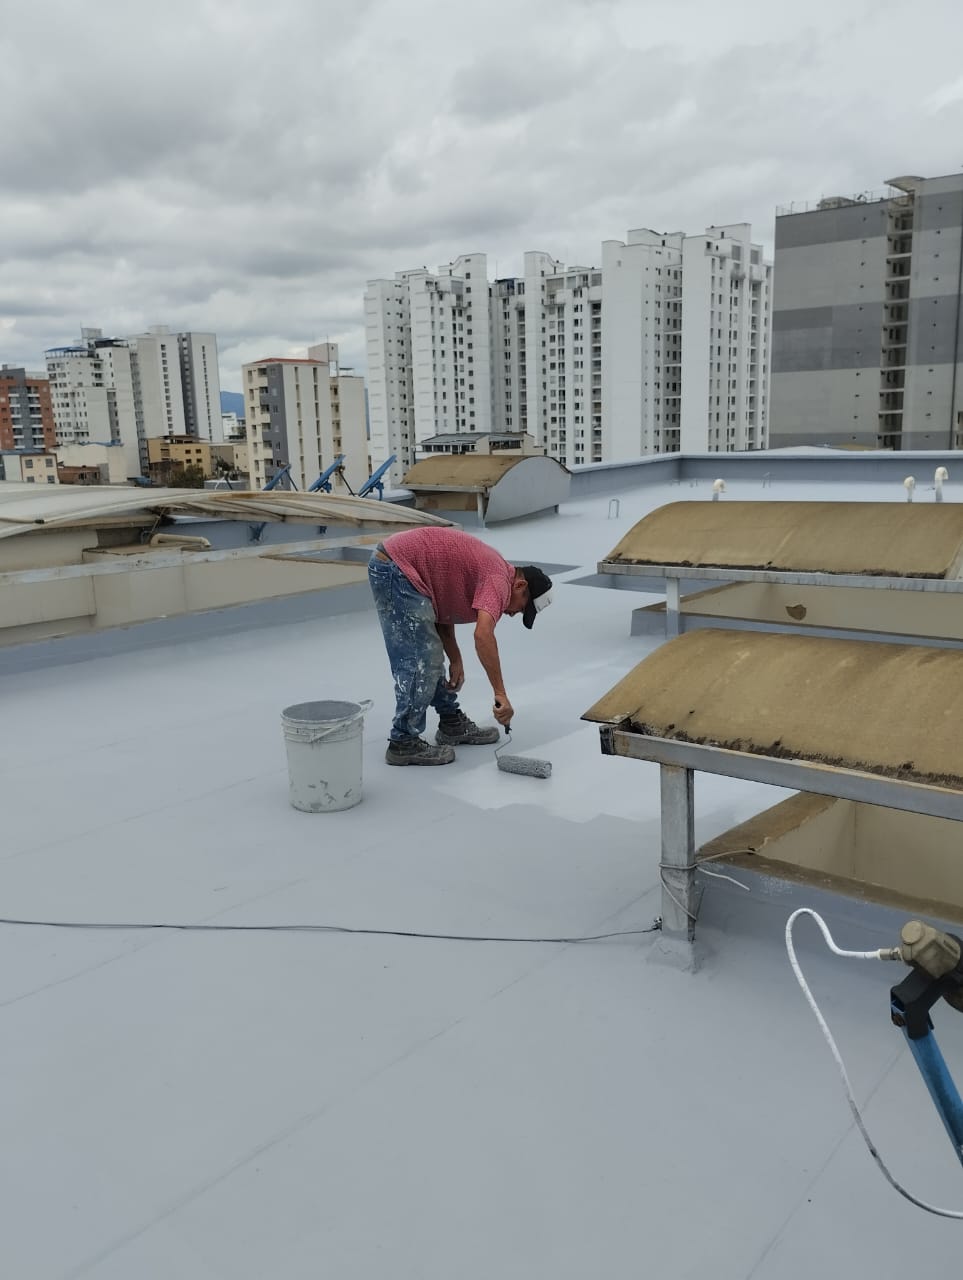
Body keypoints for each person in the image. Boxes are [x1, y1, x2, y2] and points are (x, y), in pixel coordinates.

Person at [368, 526, 553, 765]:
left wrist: (455, 657)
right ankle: (403, 742)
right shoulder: (499, 581)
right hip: (397, 568)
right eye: (522, 608)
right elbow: (483, 635)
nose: (515, 614)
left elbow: (442, 610)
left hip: (406, 569)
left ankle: (451, 723)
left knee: (430, 655)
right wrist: (500, 693)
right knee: (420, 659)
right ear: (520, 586)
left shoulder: (495, 573)